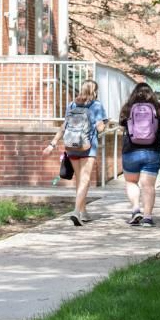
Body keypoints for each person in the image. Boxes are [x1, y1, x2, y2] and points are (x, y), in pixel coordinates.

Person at [43, 79, 107, 226]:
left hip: (71, 145)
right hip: (87, 147)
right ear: (94, 91)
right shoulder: (97, 105)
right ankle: (76, 212)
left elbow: (64, 126)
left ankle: (83, 212)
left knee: (79, 180)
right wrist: (104, 123)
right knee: (85, 180)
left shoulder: (71, 105)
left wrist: (52, 144)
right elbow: (100, 128)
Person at [120, 83, 160, 227]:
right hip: (152, 151)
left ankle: (136, 209)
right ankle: (147, 217)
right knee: (148, 186)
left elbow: (122, 127)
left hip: (131, 151)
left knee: (131, 182)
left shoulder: (127, 107)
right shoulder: (158, 107)